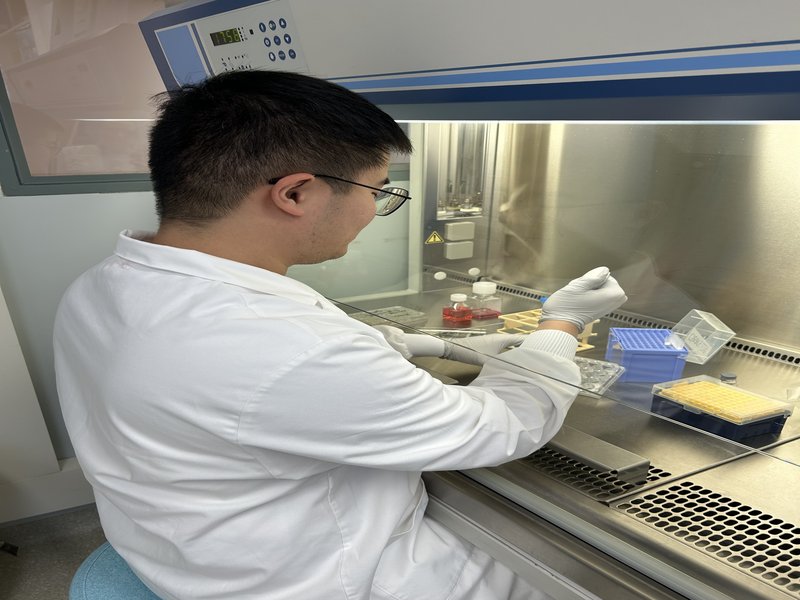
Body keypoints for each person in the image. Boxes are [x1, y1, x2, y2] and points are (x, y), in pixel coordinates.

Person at [53, 70, 627, 600]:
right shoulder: (284, 346)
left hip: (181, 550)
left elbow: (275, 372)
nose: (374, 209)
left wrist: (441, 345)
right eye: (375, 191)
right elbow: (500, 426)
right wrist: (560, 325)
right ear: (295, 193)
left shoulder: (104, 285)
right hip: (317, 580)